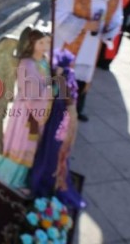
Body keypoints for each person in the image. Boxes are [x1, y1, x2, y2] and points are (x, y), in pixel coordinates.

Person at [0, 28, 52, 196]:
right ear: (32, 44)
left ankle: (26, 174)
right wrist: (51, 90)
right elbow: (31, 92)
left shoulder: (44, 61)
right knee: (24, 145)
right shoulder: (25, 64)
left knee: (33, 145)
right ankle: (15, 178)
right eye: (41, 43)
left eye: (47, 42)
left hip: (38, 110)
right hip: (26, 113)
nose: (45, 46)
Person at [54, 0, 123, 121]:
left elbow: (118, 17)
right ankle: (57, 109)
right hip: (69, 42)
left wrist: (110, 29)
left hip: (92, 46)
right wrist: (83, 24)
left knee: (84, 76)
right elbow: (57, 15)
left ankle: (77, 109)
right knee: (63, 75)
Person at [30, 48, 86, 210]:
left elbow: (70, 107)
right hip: (54, 118)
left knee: (51, 152)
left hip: (58, 120)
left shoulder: (65, 79)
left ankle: (47, 180)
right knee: (47, 150)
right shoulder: (59, 78)